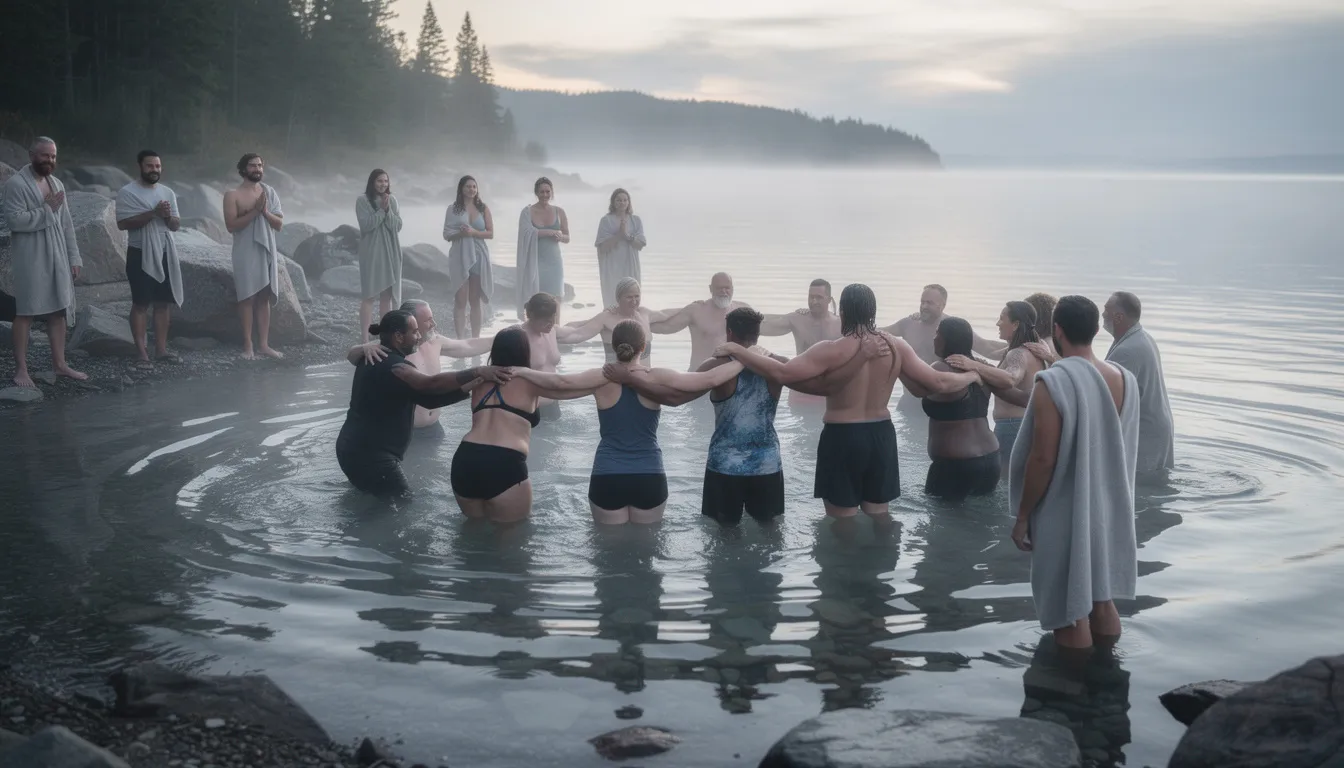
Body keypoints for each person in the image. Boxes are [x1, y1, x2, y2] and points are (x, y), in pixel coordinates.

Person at [717, 284, 981, 522]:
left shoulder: (831, 349)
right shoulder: (896, 346)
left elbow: (782, 374)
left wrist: (740, 350)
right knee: (880, 515)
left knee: (842, 519)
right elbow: (939, 383)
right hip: (881, 436)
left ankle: (844, 573)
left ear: (842, 310)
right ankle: (880, 571)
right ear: (872, 311)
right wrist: (972, 373)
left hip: (843, 435)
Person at [613, 307, 879, 526]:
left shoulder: (715, 366)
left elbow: (673, 399)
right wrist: (861, 357)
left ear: (729, 332)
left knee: (722, 537)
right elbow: (825, 386)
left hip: (724, 466)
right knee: (768, 534)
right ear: (758, 334)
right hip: (767, 465)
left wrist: (631, 380)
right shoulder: (780, 366)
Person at [513, 320, 748, 525]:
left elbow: (559, 382)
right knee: (646, 558)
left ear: (614, 346)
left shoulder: (600, 377)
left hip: (607, 475)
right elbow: (709, 378)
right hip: (649, 475)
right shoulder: (656, 376)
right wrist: (746, 358)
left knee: (608, 559)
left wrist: (520, 371)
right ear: (643, 347)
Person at [1010, 295, 1140, 650]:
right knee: (1101, 599)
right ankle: (1107, 680)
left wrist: (1022, 516)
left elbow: (1042, 459)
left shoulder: (1053, 382)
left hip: (1066, 510)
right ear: (1097, 330)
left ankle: (1070, 692)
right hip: (1110, 507)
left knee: (1069, 611)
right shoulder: (1124, 378)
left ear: (1057, 330)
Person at [335, 309, 510, 497]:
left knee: (372, 498)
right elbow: (429, 383)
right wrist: (477, 371)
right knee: (401, 508)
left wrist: (468, 388)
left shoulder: (372, 357)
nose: (419, 336)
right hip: (372, 457)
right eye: (414, 332)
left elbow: (428, 400)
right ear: (398, 336)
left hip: (352, 449)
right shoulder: (395, 366)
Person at [449, 326, 602, 523]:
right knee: (513, 538)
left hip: (465, 459)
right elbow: (566, 385)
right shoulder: (529, 382)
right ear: (524, 351)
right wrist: (609, 379)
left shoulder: (479, 382)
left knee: (473, 529)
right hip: (503, 462)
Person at [2, 137, 86, 387]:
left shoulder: (56, 183)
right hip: (30, 255)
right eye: (44, 156)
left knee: (59, 310)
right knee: (26, 311)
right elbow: (14, 221)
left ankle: (60, 365)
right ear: (31, 155)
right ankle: (21, 369)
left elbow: (67, 224)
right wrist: (46, 209)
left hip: (58, 252)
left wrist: (75, 257)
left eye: (52, 156)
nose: (49, 160)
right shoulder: (16, 184)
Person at [347, 299, 493, 430]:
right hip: (408, 429)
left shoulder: (436, 341)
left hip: (435, 427)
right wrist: (364, 348)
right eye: (428, 320)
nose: (434, 324)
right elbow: (352, 356)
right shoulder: (394, 348)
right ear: (412, 322)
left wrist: (500, 338)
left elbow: (468, 345)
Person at [943, 301, 1045, 466]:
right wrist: (983, 364)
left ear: (1016, 324)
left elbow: (1010, 378)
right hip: (1028, 424)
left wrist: (974, 365)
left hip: (1012, 427)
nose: (997, 323)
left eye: (1001, 318)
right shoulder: (1038, 347)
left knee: (1005, 484)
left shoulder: (1017, 353)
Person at [884, 284, 1003, 411]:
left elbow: (988, 348)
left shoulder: (952, 329)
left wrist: (1018, 343)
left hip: (941, 400)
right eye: (922, 302)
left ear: (942, 305)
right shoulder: (908, 324)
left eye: (929, 303)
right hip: (910, 399)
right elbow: (879, 334)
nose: (924, 307)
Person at [115, 149, 183, 367]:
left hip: (164, 250)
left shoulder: (167, 192)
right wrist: (153, 213)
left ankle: (161, 350)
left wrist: (166, 216)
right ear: (140, 167)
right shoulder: (127, 192)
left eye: (158, 166)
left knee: (163, 303)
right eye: (150, 166)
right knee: (141, 302)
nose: (155, 170)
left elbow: (175, 226)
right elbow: (123, 224)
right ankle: (142, 353)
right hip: (139, 251)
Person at [921, 317, 1000, 500]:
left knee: (940, 523)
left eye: (938, 333)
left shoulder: (940, 368)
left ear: (948, 339)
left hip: (956, 464)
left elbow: (917, 388)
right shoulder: (984, 369)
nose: (934, 338)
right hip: (992, 459)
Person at [1104, 291, 1174, 474]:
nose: (1102, 315)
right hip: (1157, 427)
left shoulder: (1127, 351)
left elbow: (1107, 398)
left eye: (1106, 311)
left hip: (1144, 434)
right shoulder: (1143, 337)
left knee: (1139, 489)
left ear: (1118, 317)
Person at [223, 153, 284, 360]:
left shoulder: (269, 192)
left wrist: (264, 212)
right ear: (243, 169)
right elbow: (231, 226)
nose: (257, 169)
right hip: (244, 250)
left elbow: (279, 224)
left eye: (259, 165)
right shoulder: (232, 195)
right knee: (247, 296)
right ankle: (248, 345)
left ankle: (264, 345)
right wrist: (255, 212)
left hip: (267, 247)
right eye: (252, 165)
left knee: (264, 296)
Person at [561, 277, 685, 364]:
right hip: (617, 382)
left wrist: (690, 307)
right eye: (629, 297)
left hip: (645, 382)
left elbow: (664, 314)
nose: (634, 301)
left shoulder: (644, 314)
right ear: (618, 298)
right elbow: (578, 334)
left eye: (637, 296)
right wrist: (551, 334)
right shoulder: (607, 317)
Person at [648, 272, 751, 370]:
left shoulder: (744, 310)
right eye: (719, 288)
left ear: (732, 289)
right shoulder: (697, 310)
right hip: (700, 375)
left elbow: (762, 327)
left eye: (727, 288)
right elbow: (666, 327)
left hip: (733, 375)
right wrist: (641, 321)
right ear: (710, 289)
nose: (724, 291)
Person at [442, 175, 493, 339]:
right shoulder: (453, 209)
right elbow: (447, 234)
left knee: (475, 300)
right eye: (468, 186)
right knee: (460, 299)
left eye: (474, 187)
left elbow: (490, 233)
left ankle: (476, 338)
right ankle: (460, 340)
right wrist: (461, 233)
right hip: (459, 255)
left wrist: (474, 232)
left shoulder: (483, 208)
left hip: (479, 255)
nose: (471, 189)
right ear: (461, 189)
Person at [355, 169, 403, 343]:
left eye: (385, 181)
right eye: (379, 181)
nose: (383, 184)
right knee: (369, 295)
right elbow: (366, 225)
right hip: (371, 252)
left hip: (391, 250)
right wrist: (381, 211)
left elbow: (397, 226)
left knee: (386, 296)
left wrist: (388, 210)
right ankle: (365, 338)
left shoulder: (393, 200)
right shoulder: (362, 200)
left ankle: (386, 336)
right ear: (372, 183)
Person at [515, 177, 568, 316]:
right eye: (541, 192)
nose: (545, 195)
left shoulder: (559, 211)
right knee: (537, 299)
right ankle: (537, 333)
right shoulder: (527, 212)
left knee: (555, 299)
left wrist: (561, 237)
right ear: (536, 193)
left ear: (552, 192)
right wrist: (549, 232)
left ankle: (555, 333)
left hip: (554, 261)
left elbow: (567, 237)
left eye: (547, 191)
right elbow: (524, 233)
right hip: (535, 261)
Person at [759, 279, 841, 354]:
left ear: (829, 299)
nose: (814, 301)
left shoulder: (840, 324)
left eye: (819, 297)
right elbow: (765, 325)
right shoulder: (798, 319)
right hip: (803, 369)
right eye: (811, 297)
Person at [595, 188, 646, 308]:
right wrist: (619, 234)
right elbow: (602, 248)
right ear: (613, 202)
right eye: (618, 200)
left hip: (630, 263)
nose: (622, 203)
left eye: (625, 200)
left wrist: (627, 236)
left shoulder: (635, 220)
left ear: (628, 202)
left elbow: (641, 244)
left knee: (631, 295)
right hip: (612, 265)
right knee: (613, 298)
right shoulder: (606, 221)